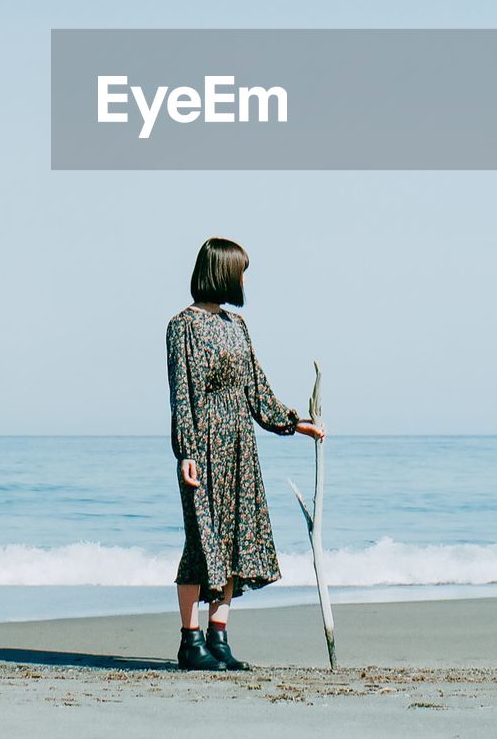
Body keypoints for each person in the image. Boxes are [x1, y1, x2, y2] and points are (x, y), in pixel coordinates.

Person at [166, 237, 326, 671]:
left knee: (235, 539)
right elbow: (183, 395)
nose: (245, 278)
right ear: (222, 271)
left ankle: (218, 635)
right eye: (242, 269)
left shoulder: (238, 327)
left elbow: (256, 391)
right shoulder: (183, 326)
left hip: (240, 447)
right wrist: (187, 451)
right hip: (204, 446)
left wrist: (294, 423)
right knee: (202, 544)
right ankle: (189, 639)